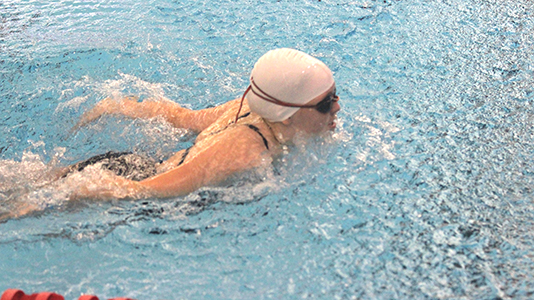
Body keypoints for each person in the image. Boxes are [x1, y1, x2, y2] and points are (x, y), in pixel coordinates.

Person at [58, 48, 340, 200]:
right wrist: (87, 190)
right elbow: (147, 191)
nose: (337, 107)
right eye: (326, 103)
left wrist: (122, 106)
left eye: (335, 95)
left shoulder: (243, 109)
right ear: (286, 114)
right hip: (137, 184)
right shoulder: (245, 152)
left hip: (134, 164)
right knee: (25, 208)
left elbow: (182, 117)